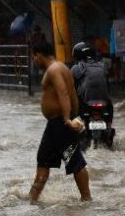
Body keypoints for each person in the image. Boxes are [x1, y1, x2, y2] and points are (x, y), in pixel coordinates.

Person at [29, 40, 91, 203]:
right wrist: (74, 116)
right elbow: (73, 95)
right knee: (43, 159)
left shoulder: (54, 69)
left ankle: (87, 198)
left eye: (34, 57)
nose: (34, 61)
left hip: (61, 124)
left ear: (39, 54)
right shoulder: (62, 67)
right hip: (55, 125)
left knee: (75, 160)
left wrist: (67, 120)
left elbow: (64, 94)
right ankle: (32, 200)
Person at [71, 41, 113, 117]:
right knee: (109, 104)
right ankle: (109, 124)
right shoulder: (102, 66)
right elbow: (107, 86)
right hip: (103, 99)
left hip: (85, 100)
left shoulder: (76, 68)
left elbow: (72, 87)